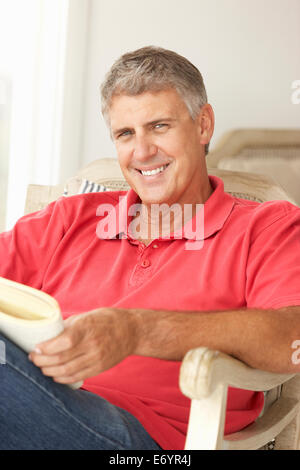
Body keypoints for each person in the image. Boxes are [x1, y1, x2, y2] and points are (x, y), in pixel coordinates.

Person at [1, 46, 300, 450]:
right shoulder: (69, 219)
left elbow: (292, 339)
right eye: (126, 134)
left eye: (159, 126)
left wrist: (135, 330)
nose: (142, 152)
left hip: (146, 440)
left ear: (203, 125)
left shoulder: (267, 226)